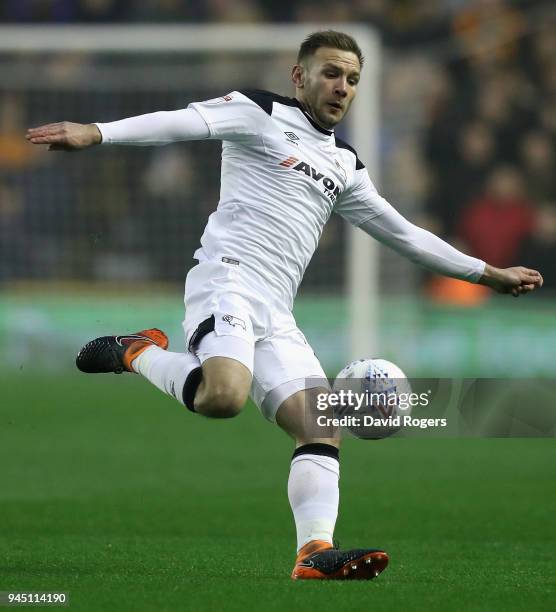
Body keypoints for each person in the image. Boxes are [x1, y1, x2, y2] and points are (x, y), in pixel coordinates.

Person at [26, 30, 543, 581]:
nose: (341, 87)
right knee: (223, 396)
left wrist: (486, 273)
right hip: (225, 282)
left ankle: (313, 552)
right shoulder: (257, 111)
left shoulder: (345, 164)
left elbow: (406, 235)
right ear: (299, 76)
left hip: (277, 312)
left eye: (351, 79)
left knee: (319, 427)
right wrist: (96, 132)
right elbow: (181, 122)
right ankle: (135, 352)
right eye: (330, 73)